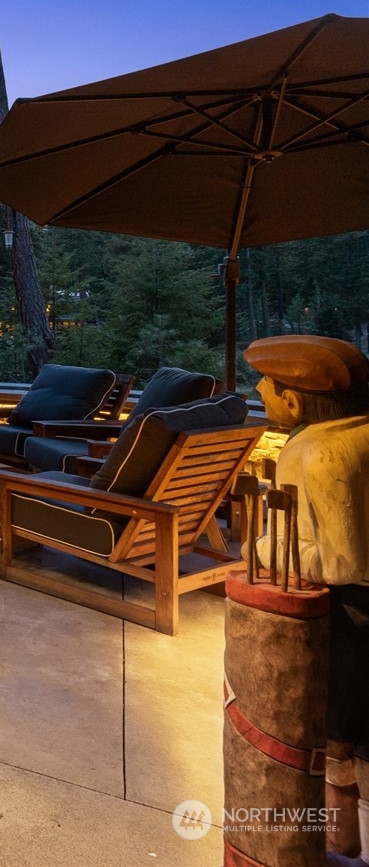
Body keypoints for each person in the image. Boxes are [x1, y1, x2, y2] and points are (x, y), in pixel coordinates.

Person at [246, 335, 369, 865]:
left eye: (266, 387)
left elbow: (345, 565)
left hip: (347, 623)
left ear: (294, 401)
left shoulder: (317, 452)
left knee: (334, 745)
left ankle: (335, 847)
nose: (258, 391)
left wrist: (262, 544)